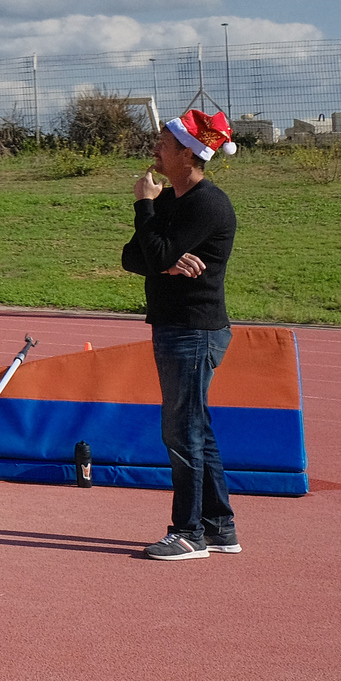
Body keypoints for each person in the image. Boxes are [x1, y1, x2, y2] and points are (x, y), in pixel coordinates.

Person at [121, 106, 240, 560]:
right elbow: (134, 257)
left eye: (164, 144)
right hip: (175, 327)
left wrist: (144, 206)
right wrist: (166, 260)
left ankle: (188, 533)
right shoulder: (171, 200)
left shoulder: (208, 203)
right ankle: (220, 528)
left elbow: (152, 252)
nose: (155, 148)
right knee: (196, 431)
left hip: (194, 331)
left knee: (182, 434)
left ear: (188, 154)